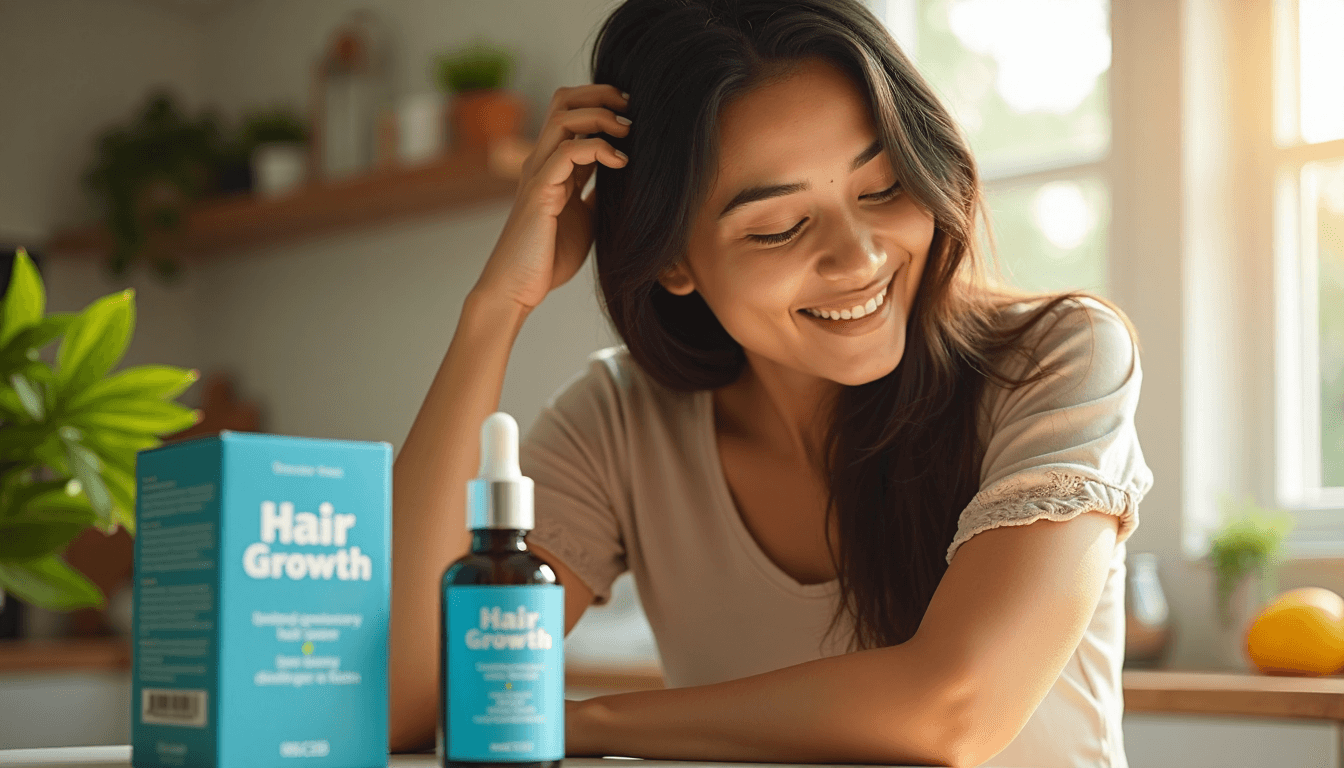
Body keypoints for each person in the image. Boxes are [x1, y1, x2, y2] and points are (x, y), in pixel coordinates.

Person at [389, 0, 1153, 765]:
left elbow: (953, 710)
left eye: (883, 189)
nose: (857, 258)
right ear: (673, 262)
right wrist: (496, 308)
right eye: (778, 228)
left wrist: (581, 723)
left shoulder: (1058, 357)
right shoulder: (620, 424)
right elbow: (405, 704)